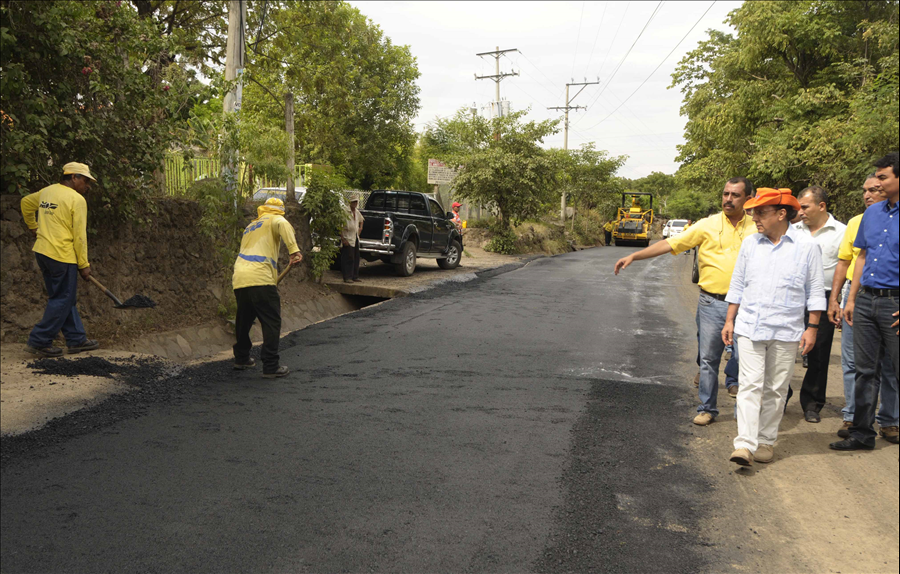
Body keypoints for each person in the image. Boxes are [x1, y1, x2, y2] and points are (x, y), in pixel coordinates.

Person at [615, 177, 757, 425]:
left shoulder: (758, 226)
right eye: (725, 194)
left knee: (748, 362)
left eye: (735, 195)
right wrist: (635, 256)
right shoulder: (707, 225)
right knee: (709, 359)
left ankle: (744, 416)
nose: (728, 199)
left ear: (748, 198)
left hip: (750, 306)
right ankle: (707, 408)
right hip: (713, 303)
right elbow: (671, 243)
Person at [723, 188, 825, 466]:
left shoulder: (807, 247)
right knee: (749, 386)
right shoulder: (750, 244)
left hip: (786, 330)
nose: (754, 217)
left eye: (761, 212)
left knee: (776, 388)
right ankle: (744, 444)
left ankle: (766, 440)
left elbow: (815, 291)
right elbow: (738, 284)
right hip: (749, 327)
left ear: (781, 214)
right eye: (754, 212)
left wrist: (812, 327)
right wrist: (730, 319)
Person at [832, 152, 900, 450]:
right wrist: (852, 298)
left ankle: (890, 420)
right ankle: (862, 434)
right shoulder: (872, 214)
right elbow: (861, 256)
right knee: (865, 371)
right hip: (865, 301)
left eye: (883, 178)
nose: (878, 183)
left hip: (895, 304)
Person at [20, 163, 100, 357]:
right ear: (73, 178)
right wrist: (84, 265)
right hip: (62, 255)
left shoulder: (47, 192)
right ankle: (39, 341)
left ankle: (76, 339)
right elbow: (79, 236)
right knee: (63, 298)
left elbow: (25, 203)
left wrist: (34, 227)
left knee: (64, 297)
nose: (87, 185)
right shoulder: (77, 200)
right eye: (85, 180)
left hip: (43, 253)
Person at [785, 186, 846, 422]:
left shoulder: (842, 232)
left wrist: (837, 300)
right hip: (792, 297)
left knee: (819, 353)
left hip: (824, 298)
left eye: (805, 207)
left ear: (822, 206)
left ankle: (812, 404)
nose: (800, 212)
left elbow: (846, 266)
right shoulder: (792, 231)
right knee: (785, 350)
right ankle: (781, 397)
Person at [232, 197, 302, 378]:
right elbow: (282, 224)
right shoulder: (276, 219)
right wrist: (294, 251)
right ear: (279, 210)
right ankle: (271, 366)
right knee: (271, 321)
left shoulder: (250, 226)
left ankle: (241, 358)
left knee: (244, 320)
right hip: (261, 277)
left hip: (240, 277)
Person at [340, 194, 365, 284]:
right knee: (348, 257)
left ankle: (355, 276)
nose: (355, 203)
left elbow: (362, 220)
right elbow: (340, 226)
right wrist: (343, 239)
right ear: (350, 202)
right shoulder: (345, 211)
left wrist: (360, 228)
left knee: (356, 257)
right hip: (347, 237)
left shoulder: (357, 212)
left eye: (356, 202)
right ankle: (347, 277)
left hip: (355, 237)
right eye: (353, 201)